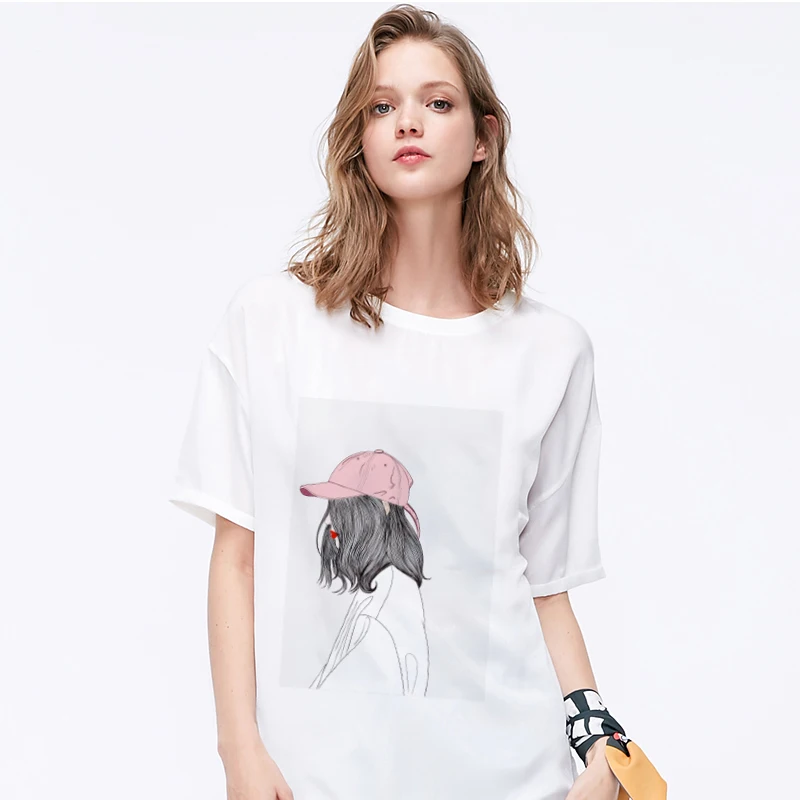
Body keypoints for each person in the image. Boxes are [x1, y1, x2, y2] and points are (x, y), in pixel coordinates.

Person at [168, 5, 641, 799]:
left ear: (484, 137)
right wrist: (238, 751)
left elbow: (543, 587)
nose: (408, 122)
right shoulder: (272, 322)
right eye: (382, 106)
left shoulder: (550, 352)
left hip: (513, 777)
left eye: (438, 102)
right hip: (318, 779)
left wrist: (603, 747)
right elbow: (236, 556)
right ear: (359, 137)